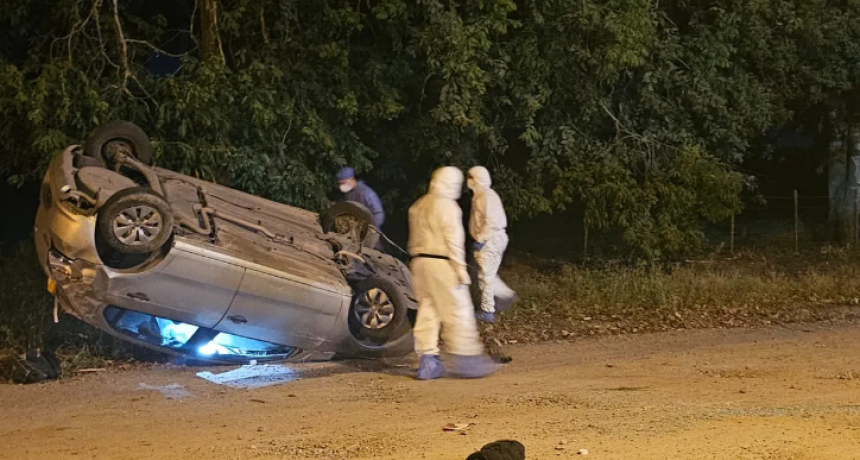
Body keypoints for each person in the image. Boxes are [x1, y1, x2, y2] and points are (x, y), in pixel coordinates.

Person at [408, 166, 500, 380]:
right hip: (443, 263)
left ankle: (428, 362)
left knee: (427, 312)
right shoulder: (447, 206)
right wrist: (460, 270)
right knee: (458, 310)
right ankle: (467, 361)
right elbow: (453, 240)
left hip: (419, 264)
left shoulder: (419, 205)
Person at [467, 166, 516, 323]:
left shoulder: (485, 196)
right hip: (491, 238)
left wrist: (480, 241)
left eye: (470, 178)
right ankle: (505, 296)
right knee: (488, 273)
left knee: (485, 276)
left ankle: (487, 310)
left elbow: (491, 222)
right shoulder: (482, 195)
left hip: (490, 239)